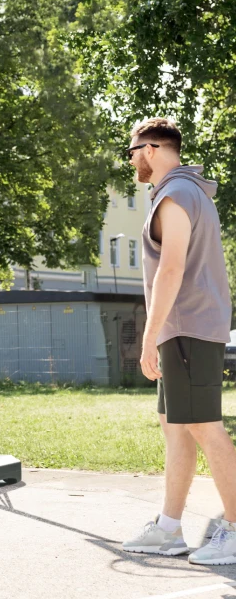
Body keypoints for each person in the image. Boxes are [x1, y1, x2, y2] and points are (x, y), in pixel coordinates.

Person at [122, 118, 236, 565]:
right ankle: (169, 528)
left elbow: (171, 269)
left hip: (188, 326)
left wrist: (148, 338)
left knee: (205, 428)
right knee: (177, 427)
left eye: (131, 152)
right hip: (183, 327)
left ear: (150, 149)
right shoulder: (188, 193)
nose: (131, 160)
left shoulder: (176, 195)